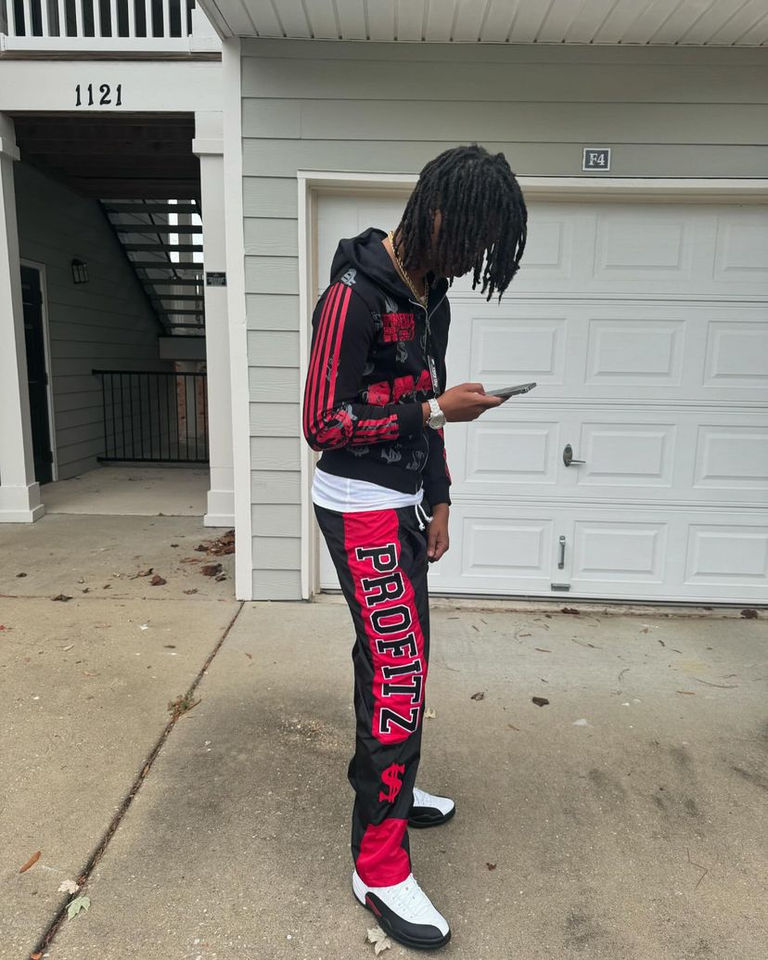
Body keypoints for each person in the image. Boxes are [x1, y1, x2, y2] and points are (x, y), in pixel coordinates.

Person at [301, 144, 527, 950]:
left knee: (398, 662)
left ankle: (388, 791)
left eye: (484, 247)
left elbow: (431, 398)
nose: (470, 258)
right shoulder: (352, 295)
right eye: (467, 238)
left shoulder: (434, 298)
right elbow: (322, 423)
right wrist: (432, 415)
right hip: (359, 505)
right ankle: (377, 866)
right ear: (432, 211)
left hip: (402, 504)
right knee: (398, 671)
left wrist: (440, 496)